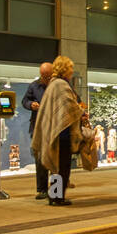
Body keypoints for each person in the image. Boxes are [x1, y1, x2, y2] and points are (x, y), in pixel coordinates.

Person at [32, 55, 82, 206]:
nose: (72, 71)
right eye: (71, 68)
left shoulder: (53, 84)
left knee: (56, 166)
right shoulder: (61, 85)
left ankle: (54, 196)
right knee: (62, 167)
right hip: (62, 133)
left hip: (56, 131)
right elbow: (69, 106)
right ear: (65, 69)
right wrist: (81, 111)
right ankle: (58, 198)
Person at [23, 61, 53, 199]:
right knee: (40, 159)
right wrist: (31, 105)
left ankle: (56, 193)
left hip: (54, 127)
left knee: (55, 160)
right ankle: (42, 190)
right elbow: (24, 101)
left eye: (48, 76)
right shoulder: (34, 86)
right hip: (38, 127)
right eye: (43, 76)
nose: (45, 79)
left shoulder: (57, 85)